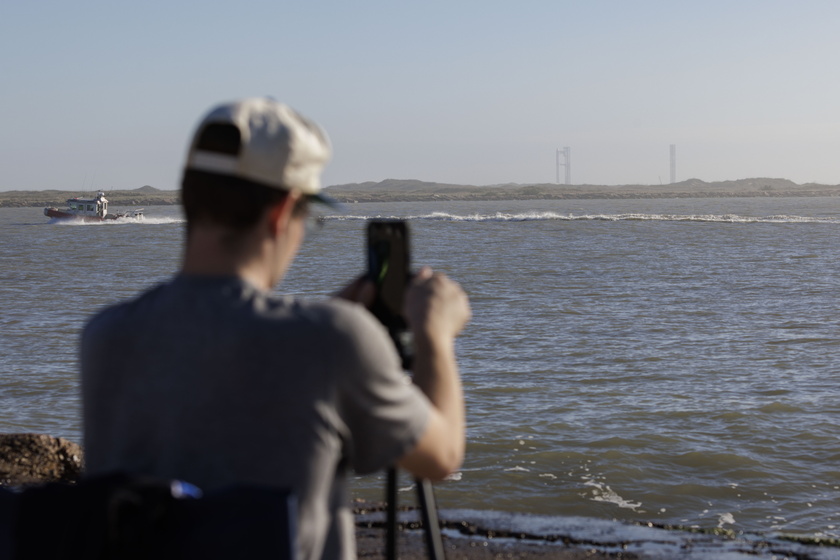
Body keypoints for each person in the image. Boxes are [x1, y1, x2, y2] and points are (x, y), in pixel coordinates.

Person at [80, 98, 471, 560]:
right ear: (282, 213)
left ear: (189, 197)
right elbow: (441, 456)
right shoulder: (333, 341)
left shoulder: (106, 336)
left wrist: (331, 322)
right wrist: (434, 334)